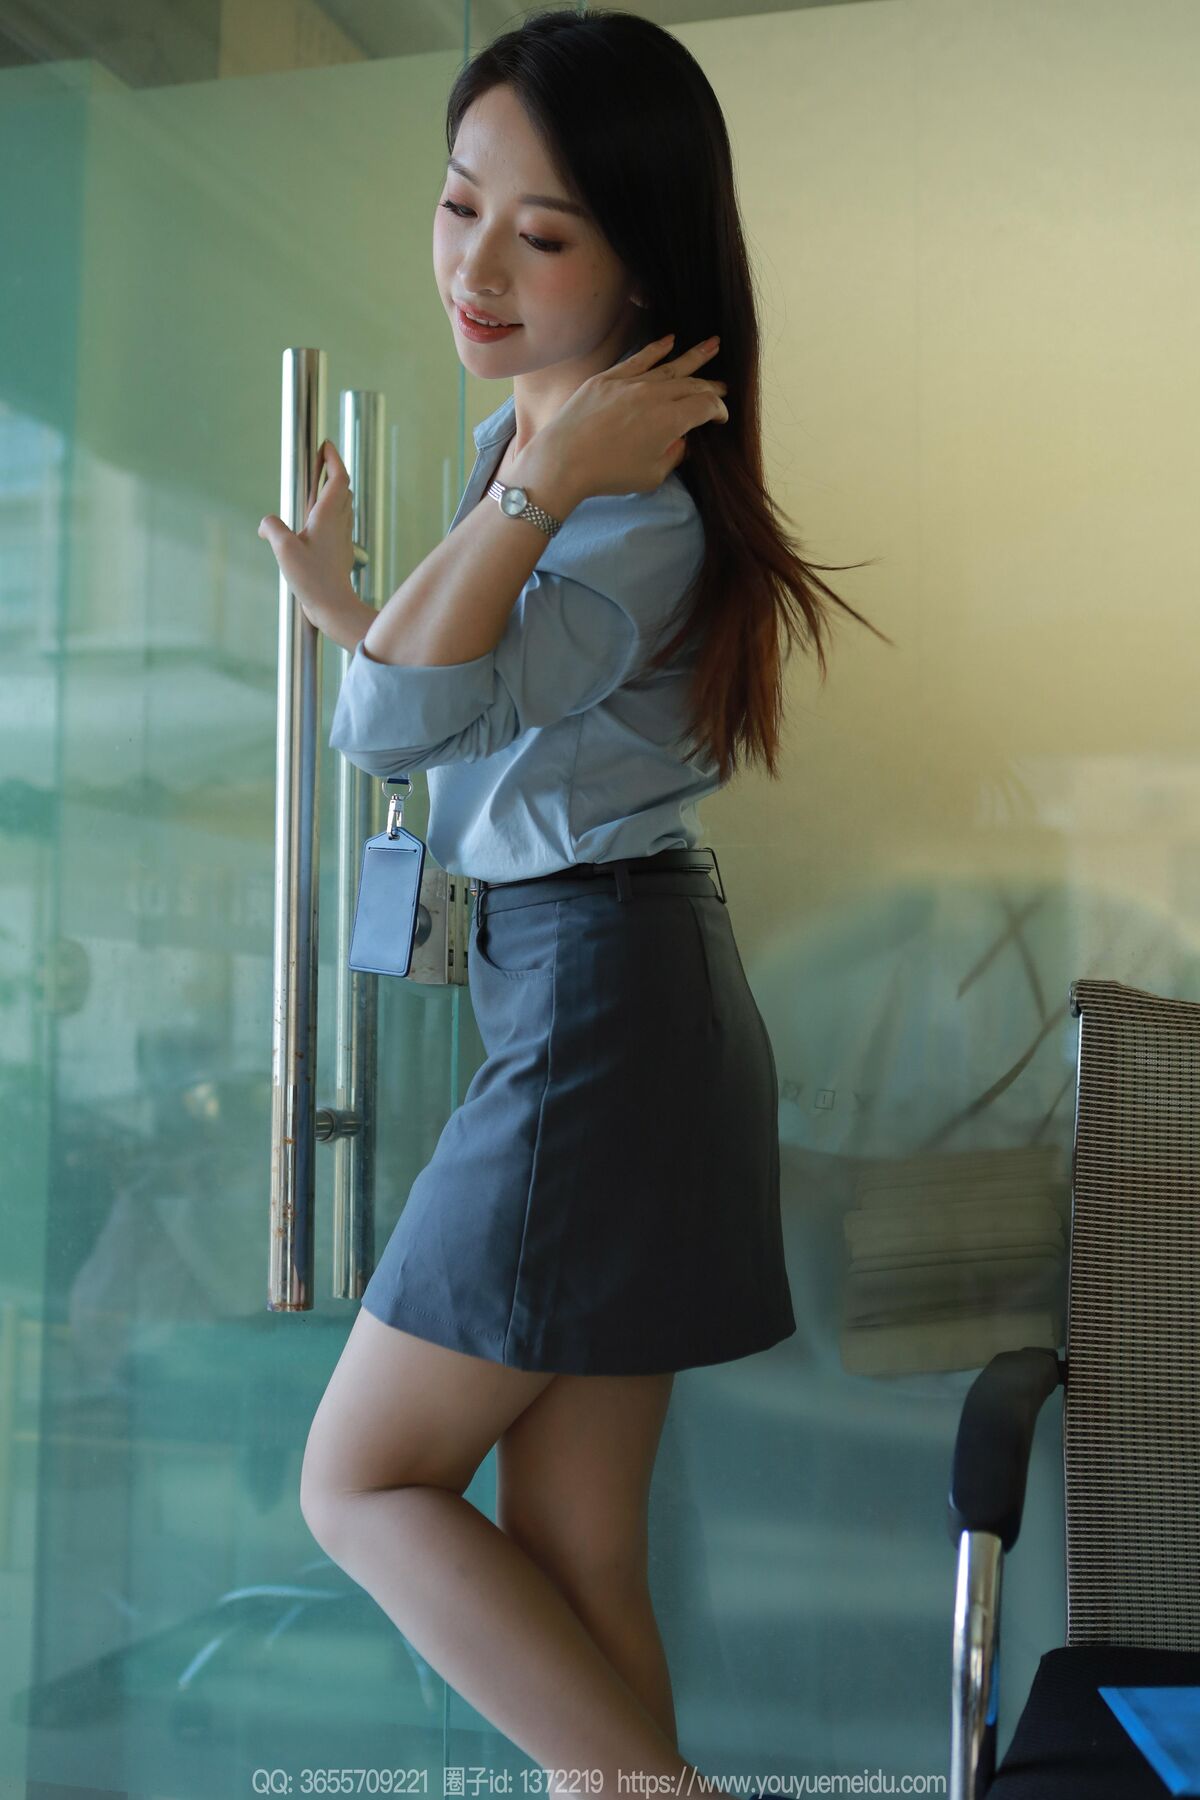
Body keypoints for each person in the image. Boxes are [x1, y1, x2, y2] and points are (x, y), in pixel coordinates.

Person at [258, 9, 889, 1792]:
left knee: (357, 1483)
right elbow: (453, 703)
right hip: (608, 989)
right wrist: (358, 601)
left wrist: (525, 496)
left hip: (601, 1009)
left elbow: (397, 723)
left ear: (644, 270)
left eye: (539, 236)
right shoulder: (533, 454)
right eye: (460, 204)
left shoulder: (621, 507)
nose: (475, 268)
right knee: (576, 1548)